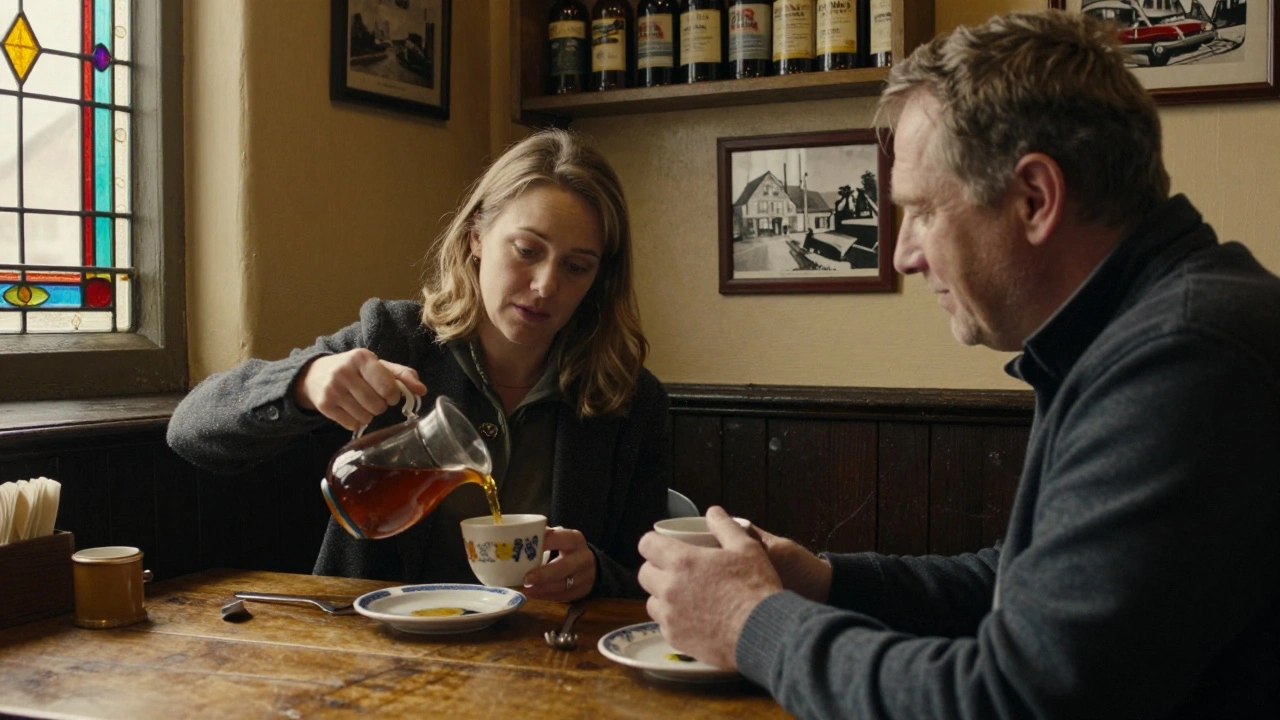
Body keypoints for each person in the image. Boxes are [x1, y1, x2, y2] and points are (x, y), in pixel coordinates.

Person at [638, 11, 1279, 718]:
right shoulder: (1142, 330)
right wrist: (824, 582)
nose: (902, 254)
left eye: (920, 211)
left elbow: (1013, 700)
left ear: (1035, 198)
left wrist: (748, 622)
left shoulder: (1186, 358)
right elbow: (1018, 582)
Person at [168, 129, 670, 601]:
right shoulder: (395, 339)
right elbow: (190, 431)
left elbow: (651, 580)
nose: (545, 285)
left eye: (576, 266)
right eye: (526, 250)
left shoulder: (628, 401)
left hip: (548, 661)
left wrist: (598, 576)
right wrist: (304, 382)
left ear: (600, 278)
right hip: (379, 655)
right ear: (477, 236)